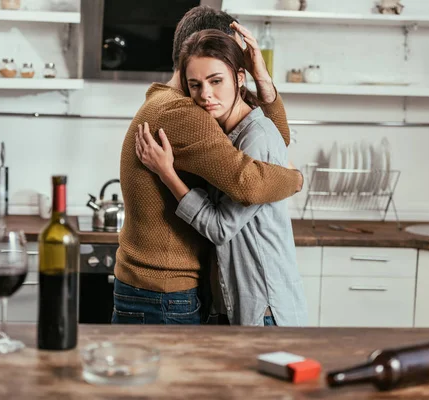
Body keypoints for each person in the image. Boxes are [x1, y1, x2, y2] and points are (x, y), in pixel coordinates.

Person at [113, 6, 304, 325]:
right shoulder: (184, 113)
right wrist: (295, 180)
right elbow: (251, 181)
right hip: (164, 293)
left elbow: (271, 140)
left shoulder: (165, 100)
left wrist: (262, 80)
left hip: (153, 288)